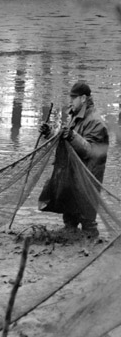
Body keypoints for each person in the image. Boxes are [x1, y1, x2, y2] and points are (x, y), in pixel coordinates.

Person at [39, 81, 109, 237]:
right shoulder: (76, 116)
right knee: (70, 216)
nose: (70, 101)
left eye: (73, 98)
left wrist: (72, 135)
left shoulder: (96, 122)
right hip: (73, 173)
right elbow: (64, 138)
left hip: (88, 177)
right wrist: (49, 132)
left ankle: (91, 240)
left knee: (87, 220)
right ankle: (70, 232)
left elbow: (89, 151)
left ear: (83, 98)